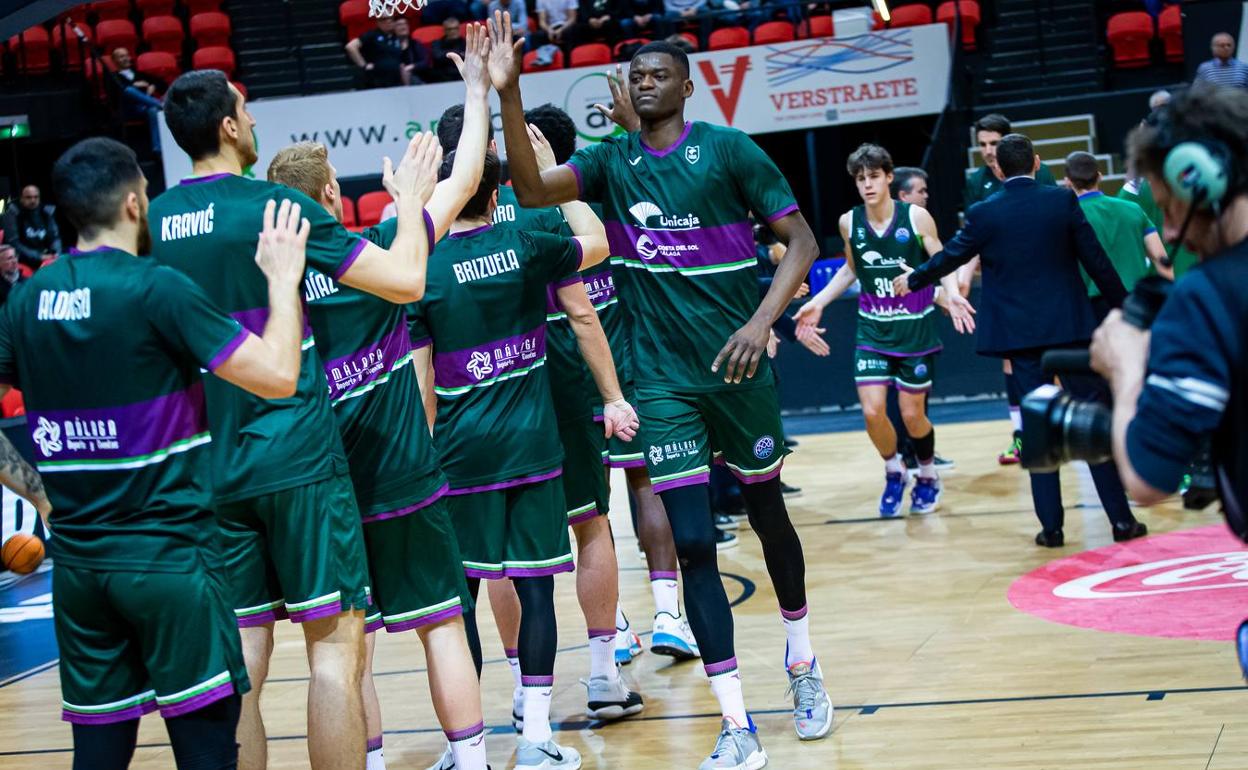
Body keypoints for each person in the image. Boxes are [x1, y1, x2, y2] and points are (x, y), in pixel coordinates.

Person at [491, 15, 832, 763]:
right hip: (663, 383)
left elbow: (803, 241)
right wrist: (509, 93)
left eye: (657, 74)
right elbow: (527, 182)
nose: (644, 81)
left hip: (739, 373)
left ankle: (802, 660)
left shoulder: (729, 152)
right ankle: (737, 725)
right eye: (635, 74)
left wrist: (760, 321)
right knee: (694, 543)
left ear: (686, 84)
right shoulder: (613, 162)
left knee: (772, 518)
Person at [151, 68, 443, 769]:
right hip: (300, 460)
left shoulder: (153, 222)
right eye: (246, 111)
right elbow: (406, 281)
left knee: (244, 658)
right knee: (334, 651)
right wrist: (410, 200)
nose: (253, 122)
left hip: (212, 466)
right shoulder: (277, 206)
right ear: (227, 126)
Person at [0, 136, 309, 769]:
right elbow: (279, 375)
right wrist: (283, 282)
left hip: (81, 572)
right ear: (137, 204)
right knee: (205, 751)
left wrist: (35, 491)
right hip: (170, 563)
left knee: (101, 753)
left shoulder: (25, 301)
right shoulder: (157, 289)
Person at [265, 27, 493, 770]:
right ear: (332, 196)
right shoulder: (392, 254)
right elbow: (462, 183)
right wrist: (476, 92)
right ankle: (474, 760)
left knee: (340, 647)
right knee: (442, 628)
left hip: (325, 488)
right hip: (404, 471)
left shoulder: (271, 288)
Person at [409, 142, 632, 770]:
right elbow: (587, 305)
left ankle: (467, 750)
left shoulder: (423, 268)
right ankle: (537, 737)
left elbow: (423, 378)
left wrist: (425, 454)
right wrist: (612, 397)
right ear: (500, 189)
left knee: (462, 600)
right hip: (535, 446)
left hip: (459, 455)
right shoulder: (531, 244)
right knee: (536, 590)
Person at [895, 133, 1148, 548]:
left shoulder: (983, 212)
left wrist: (916, 278)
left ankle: (1051, 529)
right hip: (1071, 332)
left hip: (1021, 340)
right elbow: (1095, 260)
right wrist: (1125, 308)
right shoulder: (1060, 201)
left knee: (1039, 429)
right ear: (1035, 162)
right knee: (1090, 421)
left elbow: (952, 255)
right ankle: (1121, 522)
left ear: (998, 168)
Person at [1089, 84, 1248, 605]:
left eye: (1169, 207)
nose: (1173, 226)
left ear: (1201, 179)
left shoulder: (1210, 293)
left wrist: (1127, 365)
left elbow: (1148, 479)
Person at [794, 145, 974, 516]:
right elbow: (850, 269)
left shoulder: (917, 218)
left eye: (874, 176)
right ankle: (895, 470)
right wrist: (819, 302)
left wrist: (953, 294)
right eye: (860, 179)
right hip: (873, 330)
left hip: (915, 330)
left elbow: (942, 261)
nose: (867, 184)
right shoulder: (850, 222)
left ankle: (927, 474)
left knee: (911, 415)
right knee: (873, 412)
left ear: (889, 178)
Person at [960, 113, 1058, 466]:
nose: (987, 151)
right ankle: (1021, 435)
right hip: (1002, 283)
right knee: (1010, 363)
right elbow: (974, 233)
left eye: (993, 144)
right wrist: (965, 274)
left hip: (1040, 284)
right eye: (982, 144)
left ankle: (1054, 429)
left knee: (1050, 364)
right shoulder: (977, 181)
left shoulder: (1036, 173)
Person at [1065, 150, 1171, 320]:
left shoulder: (1067, 217)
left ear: (1067, 182)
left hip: (1092, 308)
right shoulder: (1133, 209)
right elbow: (1162, 261)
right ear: (1099, 176)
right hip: (1137, 303)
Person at [107, 47, 166, 150]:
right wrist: (133, 85)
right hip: (128, 109)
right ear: (114, 61)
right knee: (128, 90)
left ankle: (158, 149)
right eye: (121, 57)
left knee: (153, 110)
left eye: (127, 55)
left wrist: (153, 86)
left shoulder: (139, 74)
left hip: (145, 107)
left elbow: (161, 83)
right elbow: (114, 94)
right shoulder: (112, 77)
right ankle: (160, 104)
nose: (126, 58)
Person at [3, 185, 60, 271]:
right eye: (28, 197)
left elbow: (55, 237)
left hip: (45, 256)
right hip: (21, 260)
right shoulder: (13, 213)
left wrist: (56, 253)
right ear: (22, 198)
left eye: (36, 197)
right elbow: (14, 243)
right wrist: (39, 257)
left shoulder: (46, 211)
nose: (33, 200)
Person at [346, 15, 407, 88]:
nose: (389, 21)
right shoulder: (372, 35)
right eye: (384, 19)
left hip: (396, 80)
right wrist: (364, 65)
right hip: (377, 80)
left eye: (391, 19)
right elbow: (351, 46)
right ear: (378, 22)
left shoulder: (396, 37)